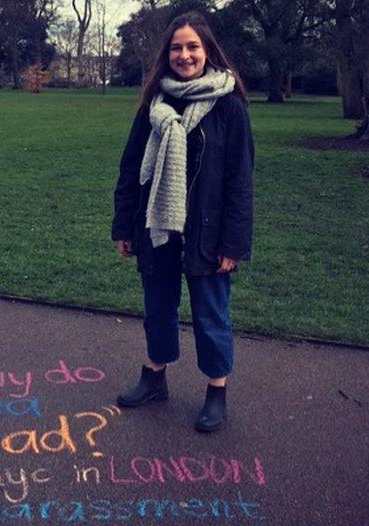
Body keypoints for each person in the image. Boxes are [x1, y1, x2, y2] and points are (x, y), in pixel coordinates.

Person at [111, 11, 254, 433]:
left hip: (207, 233)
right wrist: (124, 225)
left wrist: (234, 243)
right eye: (177, 47)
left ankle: (216, 390)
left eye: (193, 46)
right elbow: (130, 168)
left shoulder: (229, 107)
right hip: (156, 226)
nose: (185, 54)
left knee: (211, 314)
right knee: (158, 307)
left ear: (207, 51)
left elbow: (240, 183)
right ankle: (154, 376)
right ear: (167, 53)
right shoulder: (155, 103)